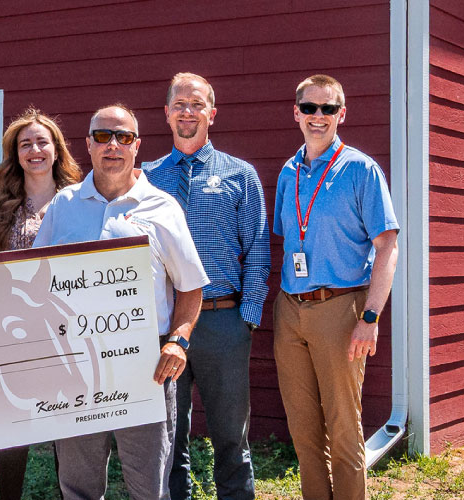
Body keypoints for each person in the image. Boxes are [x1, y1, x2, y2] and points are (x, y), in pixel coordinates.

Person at [34, 104, 209, 500]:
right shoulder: (64, 205)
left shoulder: (162, 207)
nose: (113, 145)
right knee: (78, 483)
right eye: (102, 136)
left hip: (145, 362)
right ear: (88, 146)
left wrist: (178, 341)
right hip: (76, 361)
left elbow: (191, 286)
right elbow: (36, 280)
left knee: (149, 485)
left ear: (137, 146)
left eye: (123, 137)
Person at [142, 73, 269, 500]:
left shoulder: (241, 175)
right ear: (166, 113)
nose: (187, 112)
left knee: (231, 439)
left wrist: (246, 318)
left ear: (212, 114)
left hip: (222, 323)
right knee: (168, 438)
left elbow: (257, 249)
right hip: (163, 326)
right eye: (179, 104)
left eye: (196, 104)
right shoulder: (145, 178)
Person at [273, 74, 399, 500]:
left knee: (345, 429)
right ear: (296, 113)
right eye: (309, 108)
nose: (318, 116)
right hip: (290, 310)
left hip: (341, 309)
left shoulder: (361, 169)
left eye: (328, 108)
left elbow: (387, 247)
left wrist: (370, 317)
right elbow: (290, 239)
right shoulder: (288, 173)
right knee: (304, 431)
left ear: (342, 114)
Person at [0, 108, 81, 500]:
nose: (34, 150)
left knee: (67, 431)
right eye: (25, 144)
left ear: (57, 150)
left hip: (63, 329)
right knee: (10, 428)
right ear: (15, 154)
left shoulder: (79, 200)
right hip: (11, 331)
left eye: (42, 142)